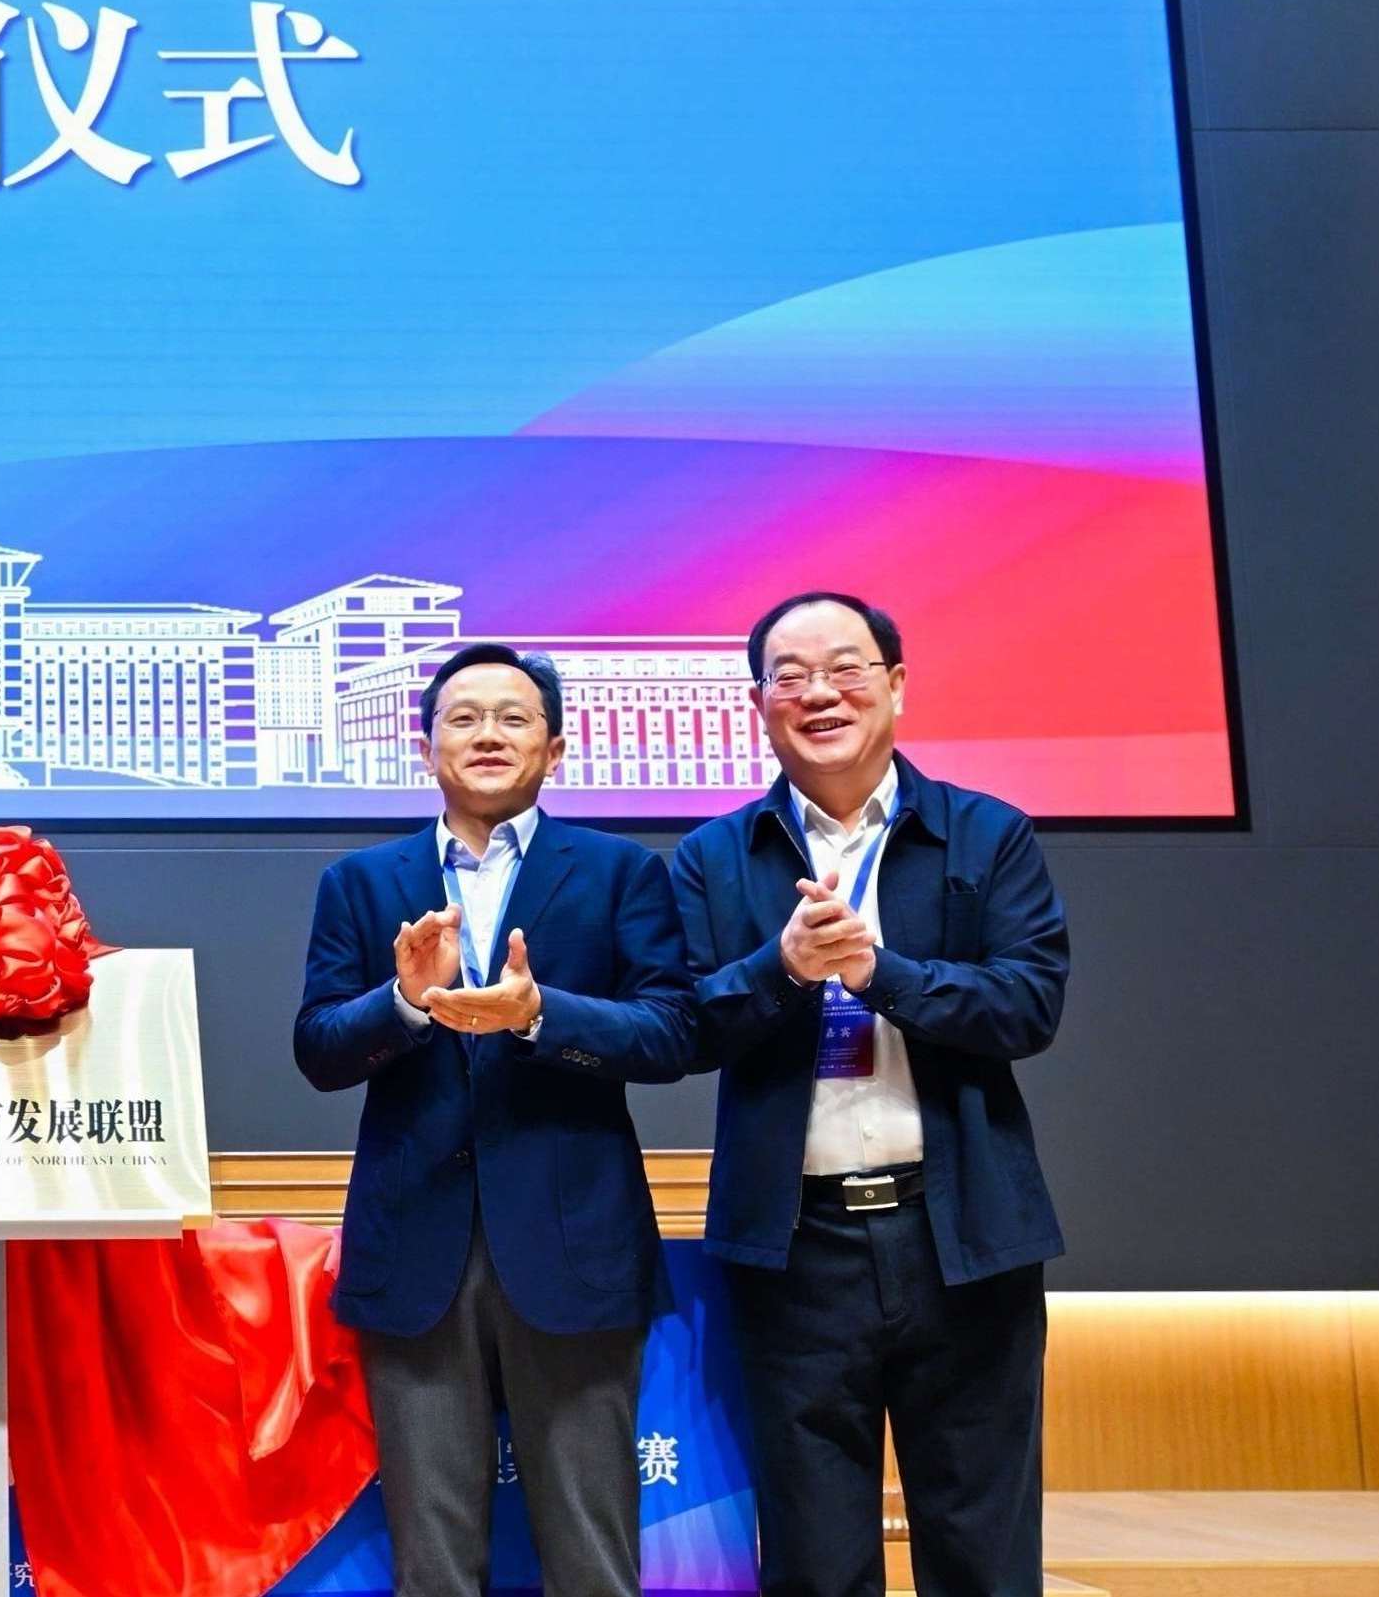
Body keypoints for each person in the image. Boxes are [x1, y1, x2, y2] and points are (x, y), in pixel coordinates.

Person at [670, 593, 1067, 1597]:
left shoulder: (985, 834)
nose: (819, 692)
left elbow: (1028, 1005)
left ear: (894, 683)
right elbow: (685, 1025)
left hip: (963, 1232)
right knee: (812, 1557)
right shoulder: (712, 856)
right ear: (758, 702)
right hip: (795, 1246)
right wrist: (784, 967)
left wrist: (879, 972)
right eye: (790, 674)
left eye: (845, 667)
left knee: (982, 1547)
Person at [294, 642, 697, 1597]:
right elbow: (319, 1048)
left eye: (514, 718)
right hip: (415, 1250)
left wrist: (540, 1013)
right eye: (464, 717)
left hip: (576, 1246)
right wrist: (402, 1000)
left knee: (592, 1555)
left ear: (554, 749)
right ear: (424, 746)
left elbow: (671, 1031)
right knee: (433, 1562)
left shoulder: (617, 872)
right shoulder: (361, 882)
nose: (487, 734)